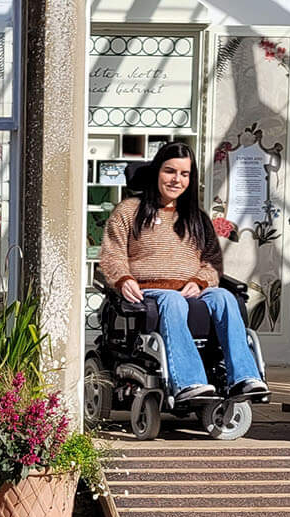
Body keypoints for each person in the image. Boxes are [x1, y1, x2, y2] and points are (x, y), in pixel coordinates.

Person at [97, 139, 268, 404]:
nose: (177, 179)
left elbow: (211, 263)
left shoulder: (196, 218)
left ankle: (245, 379)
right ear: (157, 172)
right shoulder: (129, 211)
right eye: (170, 171)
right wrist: (123, 278)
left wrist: (201, 281)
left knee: (224, 297)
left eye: (184, 174)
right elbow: (112, 254)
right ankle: (190, 383)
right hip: (150, 292)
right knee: (173, 299)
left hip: (192, 291)